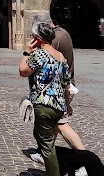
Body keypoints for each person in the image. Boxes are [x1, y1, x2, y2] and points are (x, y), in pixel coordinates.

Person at [19, 22, 72, 176]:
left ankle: (54, 173)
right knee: (40, 134)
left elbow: (23, 71)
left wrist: (26, 52)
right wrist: (67, 105)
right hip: (58, 105)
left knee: (47, 145)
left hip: (44, 105)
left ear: (38, 39)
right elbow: (66, 85)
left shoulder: (40, 54)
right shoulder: (60, 56)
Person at [30, 12, 83, 153]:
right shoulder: (62, 32)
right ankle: (45, 152)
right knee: (54, 124)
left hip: (58, 89)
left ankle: (85, 156)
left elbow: (35, 62)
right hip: (64, 86)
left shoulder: (54, 38)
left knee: (61, 124)